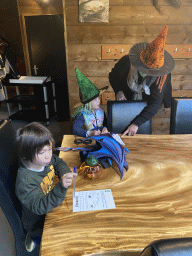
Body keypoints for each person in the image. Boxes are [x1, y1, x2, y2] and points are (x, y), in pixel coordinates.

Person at [15, 122, 77, 252]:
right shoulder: (25, 181)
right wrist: (60, 187)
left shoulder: (44, 161)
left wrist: (64, 173)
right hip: (38, 223)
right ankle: (31, 237)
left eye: (49, 148)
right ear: (27, 154)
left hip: (50, 205)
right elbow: (40, 206)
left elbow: (57, 161)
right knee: (68, 239)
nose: (48, 155)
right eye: (42, 152)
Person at [109, 25, 175, 136]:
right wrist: (119, 90)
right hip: (127, 97)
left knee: (140, 127)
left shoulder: (162, 76)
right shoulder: (126, 61)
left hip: (149, 102)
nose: (148, 74)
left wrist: (136, 124)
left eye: (152, 72)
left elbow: (155, 103)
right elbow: (113, 76)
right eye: (145, 70)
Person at [73, 68, 109, 137]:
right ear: (88, 103)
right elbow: (76, 129)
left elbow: (105, 123)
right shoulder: (82, 114)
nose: (98, 100)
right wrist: (89, 133)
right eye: (95, 99)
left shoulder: (101, 111)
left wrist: (105, 128)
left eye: (98, 98)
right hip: (89, 140)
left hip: (101, 138)